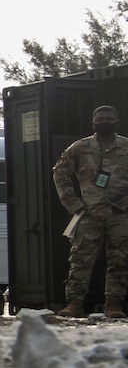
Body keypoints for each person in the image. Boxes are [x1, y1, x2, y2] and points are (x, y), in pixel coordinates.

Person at [53, 104, 127, 318]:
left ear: (117, 121)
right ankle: (74, 303)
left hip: (120, 215)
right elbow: (60, 173)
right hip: (88, 214)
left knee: (120, 260)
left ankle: (114, 304)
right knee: (80, 260)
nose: (105, 122)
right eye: (101, 119)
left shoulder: (126, 147)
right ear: (93, 123)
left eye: (109, 118)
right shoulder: (79, 147)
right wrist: (73, 204)